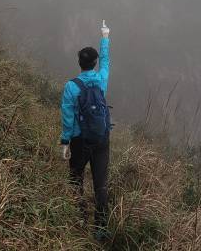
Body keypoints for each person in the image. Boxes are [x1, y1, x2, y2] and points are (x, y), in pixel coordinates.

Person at [60, 19, 111, 239]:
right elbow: (107, 62)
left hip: (80, 141)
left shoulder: (71, 86)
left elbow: (68, 117)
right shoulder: (101, 80)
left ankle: (79, 221)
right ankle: (101, 230)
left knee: (76, 179)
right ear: (94, 63)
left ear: (79, 63)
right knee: (100, 183)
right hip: (102, 138)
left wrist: (65, 142)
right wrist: (105, 37)